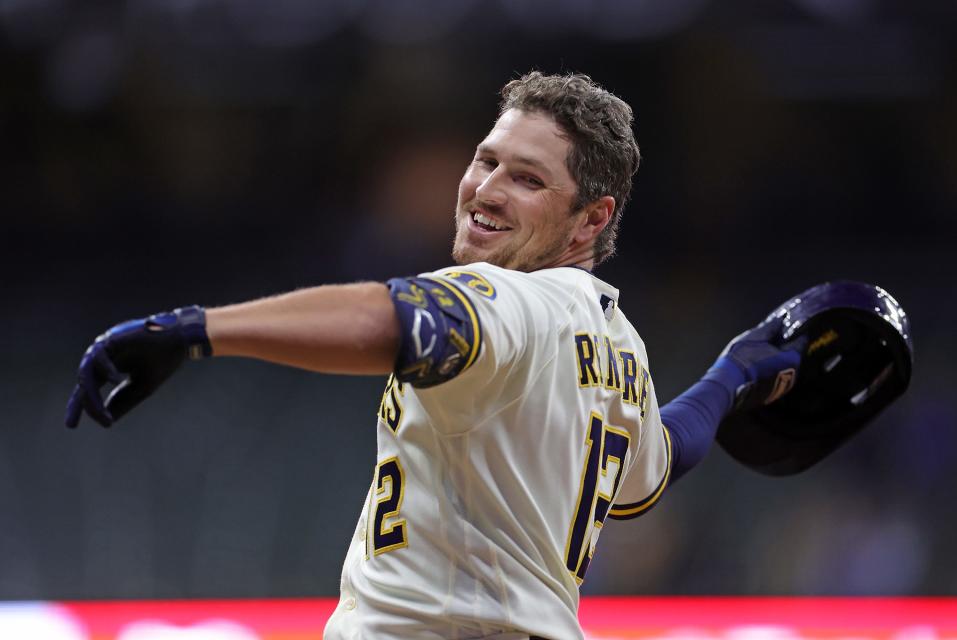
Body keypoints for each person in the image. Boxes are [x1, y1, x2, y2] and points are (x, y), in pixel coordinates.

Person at [66, 72, 803, 640]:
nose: (486, 188)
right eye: (487, 160)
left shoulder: (513, 298)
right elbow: (657, 461)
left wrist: (197, 329)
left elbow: (392, 319)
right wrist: (731, 376)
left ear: (591, 220)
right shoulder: (617, 344)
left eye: (528, 178)